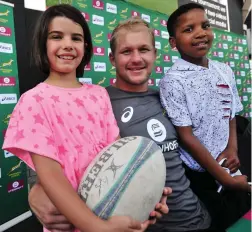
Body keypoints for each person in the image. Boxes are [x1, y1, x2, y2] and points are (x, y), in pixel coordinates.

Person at [29, 17, 214, 232]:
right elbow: (51, 156)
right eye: (126, 52)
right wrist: (36, 191)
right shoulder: (96, 102)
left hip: (194, 218)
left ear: (155, 55)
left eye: (144, 50)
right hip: (132, 225)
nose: (136, 58)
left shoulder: (169, 97)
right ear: (112, 59)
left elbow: (197, 147)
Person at [2, 5, 168, 232]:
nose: (68, 44)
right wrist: (96, 227)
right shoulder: (33, 101)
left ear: (86, 46)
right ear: (42, 44)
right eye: (56, 37)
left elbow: (118, 153)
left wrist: (143, 199)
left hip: (113, 219)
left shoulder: (99, 94)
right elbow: (50, 176)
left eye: (76, 38)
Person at [159, 3, 251, 230]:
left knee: (241, 216)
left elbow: (230, 113)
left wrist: (232, 148)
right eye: (188, 29)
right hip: (200, 174)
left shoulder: (224, 70)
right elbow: (186, 136)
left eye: (205, 25)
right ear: (173, 42)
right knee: (217, 222)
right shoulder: (173, 81)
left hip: (230, 163)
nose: (200, 33)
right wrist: (224, 178)